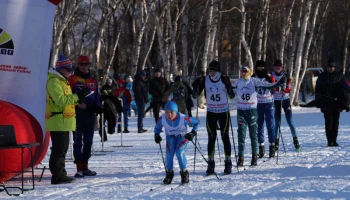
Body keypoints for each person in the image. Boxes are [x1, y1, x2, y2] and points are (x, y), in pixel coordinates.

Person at [45, 54, 90, 184]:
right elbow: (60, 100)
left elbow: (67, 101)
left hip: (63, 121)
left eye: (71, 69)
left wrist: (79, 99)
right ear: (60, 68)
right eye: (67, 69)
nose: (70, 72)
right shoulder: (54, 81)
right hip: (57, 120)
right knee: (59, 150)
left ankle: (60, 174)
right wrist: (76, 97)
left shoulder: (62, 81)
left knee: (62, 149)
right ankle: (58, 175)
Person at [232, 65, 283, 166]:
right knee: (241, 135)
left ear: (249, 72)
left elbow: (268, 85)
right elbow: (228, 86)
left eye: (245, 71)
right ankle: (240, 157)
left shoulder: (253, 81)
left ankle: (254, 156)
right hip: (241, 111)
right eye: (241, 71)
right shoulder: (238, 81)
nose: (243, 73)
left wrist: (278, 83)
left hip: (252, 110)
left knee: (253, 134)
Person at [192, 60, 235, 175]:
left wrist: (228, 86)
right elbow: (195, 94)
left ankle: (228, 162)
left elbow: (232, 96)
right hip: (211, 111)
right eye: (210, 70)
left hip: (223, 112)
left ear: (218, 71)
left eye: (213, 70)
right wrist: (194, 86)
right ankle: (211, 163)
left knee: (224, 136)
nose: (211, 72)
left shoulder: (223, 79)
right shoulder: (205, 79)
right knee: (211, 137)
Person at [68, 55, 101, 178]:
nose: (84, 66)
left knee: (88, 141)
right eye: (81, 64)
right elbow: (68, 95)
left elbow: (96, 95)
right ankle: (79, 168)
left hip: (90, 114)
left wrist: (97, 109)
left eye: (86, 64)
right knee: (78, 142)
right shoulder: (72, 79)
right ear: (78, 65)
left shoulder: (93, 80)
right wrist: (77, 104)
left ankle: (86, 166)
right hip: (77, 115)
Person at [154, 101, 199, 184]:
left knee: (179, 152)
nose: (169, 115)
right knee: (169, 153)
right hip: (170, 136)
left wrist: (193, 133)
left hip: (182, 136)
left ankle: (184, 173)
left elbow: (196, 123)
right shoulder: (162, 119)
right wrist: (156, 135)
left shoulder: (183, 118)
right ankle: (169, 174)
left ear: (176, 112)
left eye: (172, 112)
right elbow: (157, 128)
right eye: (167, 112)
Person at [315, 59, 350, 147]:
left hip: (337, 103)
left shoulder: (340, 76)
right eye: (328, 67)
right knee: (328, 123)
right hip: (326, 103)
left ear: (334, 67)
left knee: (335, 123)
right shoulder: (322, 76)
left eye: (331, 67)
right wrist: (318, 101)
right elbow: (318, 89)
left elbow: (347, 88)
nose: (330, 68)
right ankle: (329, 140)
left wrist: (346, 103)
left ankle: (334, 140)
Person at [271, 60, 300, 152]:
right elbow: (273, 89)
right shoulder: (271, 76)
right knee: (277, 122)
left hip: (285, 100)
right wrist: (279, 86)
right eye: (276, 68)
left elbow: (288, 89)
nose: (277, 70)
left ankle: (295, 140)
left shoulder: (286, 76)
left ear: (281, 68)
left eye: (279, 68)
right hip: (276, 100)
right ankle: (276, 142)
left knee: (290, 120)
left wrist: (286, 85)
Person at [251, 60, 277, 158]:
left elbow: (274, 89)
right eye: (258, 68)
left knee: (270, 125)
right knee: (259, 126)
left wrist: (273, 83)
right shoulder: (253, 78)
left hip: (268, 103)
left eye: (262, 67)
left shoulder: (269, 76)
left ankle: (272, 146)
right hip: (258, 104)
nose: (260, 69)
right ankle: (261, 146)